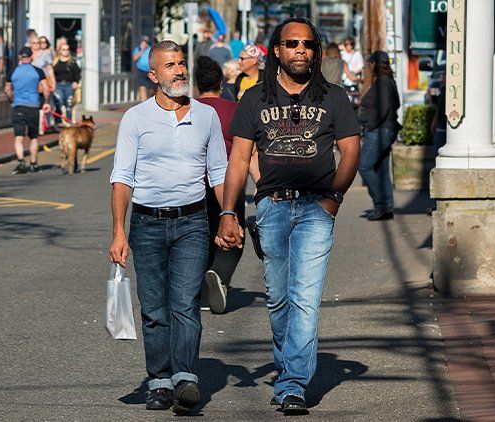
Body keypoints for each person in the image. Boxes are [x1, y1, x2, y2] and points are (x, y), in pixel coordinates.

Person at [216, 18, 361, 415]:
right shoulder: (254, 99)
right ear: (276, 50)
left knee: (305, 298)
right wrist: (229, 211)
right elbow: (239, 159)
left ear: (315, 51)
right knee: (279, 299)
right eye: (292, 43)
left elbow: (350, 151)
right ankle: (287, 368)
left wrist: (334, 198)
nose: (301, 49)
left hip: (317, 208)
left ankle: (292, 383)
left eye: (309, 44)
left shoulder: (333, 97)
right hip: (272, 207)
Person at [109, 40, 229, 415]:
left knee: (185, 304)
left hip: (193, 221)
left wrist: (228, 215)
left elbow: (220, 173)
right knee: (155, 308)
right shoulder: (136, 118)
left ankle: (186, 378)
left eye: (181, 64)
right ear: (154, 75)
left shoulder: (206, 116)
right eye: (170, 65)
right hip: (146, 223)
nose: (179, 71)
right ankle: (159, 381)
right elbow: (122, 177)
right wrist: (119, 231)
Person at [194, 56, 243, 314]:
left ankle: (201, 293)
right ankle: (219, 274)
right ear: (221, 84)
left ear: (196, 85)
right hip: (228, 181)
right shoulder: (232, 109)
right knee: (232, 235)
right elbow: (246, 149)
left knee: (201, 236)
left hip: (195, 183)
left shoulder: (189, 109)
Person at [357, 50, 401, 221]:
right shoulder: (389, 81)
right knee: (382, 170)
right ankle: (387, 206)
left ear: (375, 64)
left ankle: (380, 204)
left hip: (379, 130)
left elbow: (383, 109)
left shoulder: (382, 82)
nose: (369, 67)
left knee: (365, 166)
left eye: (370, 63)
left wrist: (370, 125)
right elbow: (395, 104)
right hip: (385, 129)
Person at [4, 47, 52, 174]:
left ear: (20, 57)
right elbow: (46, 88)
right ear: (31, 57)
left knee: (18, 137)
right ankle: (33, 163)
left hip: (18, 106)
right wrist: (46, 103)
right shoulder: (37, 71)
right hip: (33, 106)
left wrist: (12, 100)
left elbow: (7, 89)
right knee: (33, 137)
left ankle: (21, 162)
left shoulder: (13, 71)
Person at [29, 35, 57, 133]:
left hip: (43, 83)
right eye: (34, 43)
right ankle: (34, 125)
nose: (37, 45)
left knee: (44, 104)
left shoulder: (45, 54)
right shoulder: (28, 54)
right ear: (30, 44)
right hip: (31, 83)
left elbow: (50, 69)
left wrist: (53, 82)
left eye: (39, 43)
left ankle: (43, 126)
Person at [52, 43, 81, 125]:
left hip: (69, 85)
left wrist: (76, 82)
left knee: (68, 105)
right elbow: (51, 74)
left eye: (67, 49)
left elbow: (78, 74)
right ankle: (58, 122)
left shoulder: (72, 62)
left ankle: (69, 122)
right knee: (59, 102)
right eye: (63, 49)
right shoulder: (55, 62)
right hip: (58, 85)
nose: (66, 51)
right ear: (60, 51)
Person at [133, 36, 154, 101]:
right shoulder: (138, 49)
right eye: (143, 42)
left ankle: (149, 100)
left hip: (149, 71)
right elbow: (134, 58)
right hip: (141, 70)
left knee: (151, 89)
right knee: (142, 86)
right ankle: (143, 102)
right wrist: (142, 50)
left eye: (146, 42)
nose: (144, 44)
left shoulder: (150, 49)